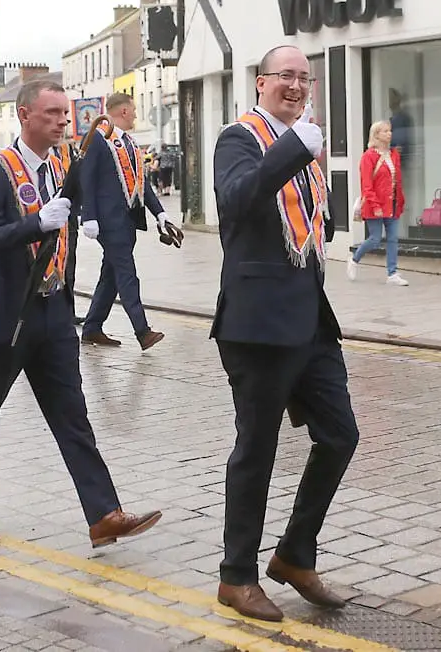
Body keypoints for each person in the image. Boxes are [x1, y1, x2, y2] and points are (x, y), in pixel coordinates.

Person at [0, 79, 161, 547]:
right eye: (50, 113)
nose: (61, 121)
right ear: (25, 115)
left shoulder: (61, 166)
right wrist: (35, 222)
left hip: (53, 312)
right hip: (7, 315)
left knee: (73, 417)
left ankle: (103, 513)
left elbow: (65, 236)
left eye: (65, 114)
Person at [211, 45, 359, 622]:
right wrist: (293, 147)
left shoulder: (309, 145)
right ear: (260, 83)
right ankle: (236, 577)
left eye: (304, 78)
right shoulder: (239, 138)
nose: (295, 87)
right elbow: (238, 201)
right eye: (285, 77)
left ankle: (295, 555)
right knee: (258, 449)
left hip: (310, 321)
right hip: (257, 325)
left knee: (340, 436)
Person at [81, 93, 168, 350]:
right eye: (134, 110)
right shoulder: (98, 138)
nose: (136, 115)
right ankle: (142, 331)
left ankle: (92, 328)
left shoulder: (129, 141)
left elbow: (142, 183)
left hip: (128, 219)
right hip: (108, 222)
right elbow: (87, 178)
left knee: (111, 276)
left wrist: (160, 214)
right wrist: (89, 217)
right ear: (124, 112)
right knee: (127, 273)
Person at [347, 120, 407, 285]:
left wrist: (401, 201)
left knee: (393, 238)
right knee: (375, 239)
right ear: (376, 135)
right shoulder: (368, 157)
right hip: (376, 204)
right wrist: (375, 205)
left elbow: (397, 181)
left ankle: (392, 273)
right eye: (385, 131)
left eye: (390, 131)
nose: (389, 134)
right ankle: (354, 259)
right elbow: (367, 185)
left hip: (392, 204)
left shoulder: (394, 154)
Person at [54, 139, 84, 325]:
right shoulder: (41, 151)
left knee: (69, 266)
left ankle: (68, 313)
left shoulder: (69, 150)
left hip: (69, 217)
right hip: (47, 216)